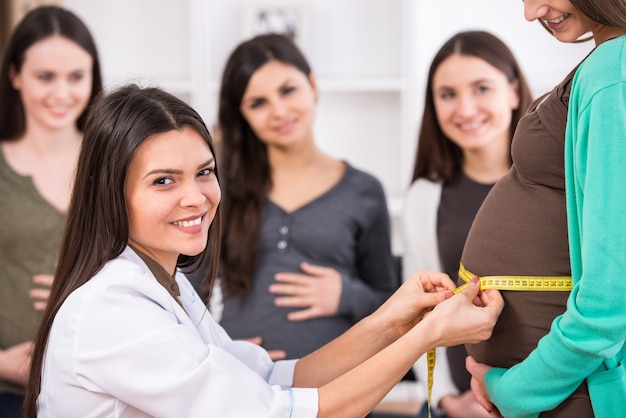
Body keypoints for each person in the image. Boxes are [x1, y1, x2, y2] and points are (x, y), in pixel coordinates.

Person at [22, 84, 504, 418]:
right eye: (163, 181)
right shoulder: (112, 309)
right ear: (111, 193)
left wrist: (392, 321)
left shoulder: (166, 288)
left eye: (204, 172)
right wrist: (427, 337)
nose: (196, 197)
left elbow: (278, 378)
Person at [461, 1, 626, 417]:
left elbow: (609, 302)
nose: (531, 11)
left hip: (578, 395)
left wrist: (514, 390)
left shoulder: (613, 73)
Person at [210, 33, 397, 360]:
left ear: (312, 85)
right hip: (242, 387)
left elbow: (390, 303)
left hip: (339, 388)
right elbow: (183, 295)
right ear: (242, 114)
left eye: (288, 90)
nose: (279, 111)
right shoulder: (219, 186)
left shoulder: (364, 191)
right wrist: (219, 352)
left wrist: (346, 294)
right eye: (258, 103)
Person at [401, 30, 533, 418]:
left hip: (557, 395)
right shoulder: (424, 197)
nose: (465, 108)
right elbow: (419, 309)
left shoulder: (560, 183)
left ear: (512, 91)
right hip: (465, 404)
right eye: (448, 94)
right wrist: (446, 399)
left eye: (481, 88)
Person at [0, 6, 102, 417]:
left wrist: (85, 274)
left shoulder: (114, 162)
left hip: (102, 382)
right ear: (15, 76)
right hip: (10, 390)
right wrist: (3, 363)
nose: (62, 94)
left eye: (76, 77)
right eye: (45, 77)